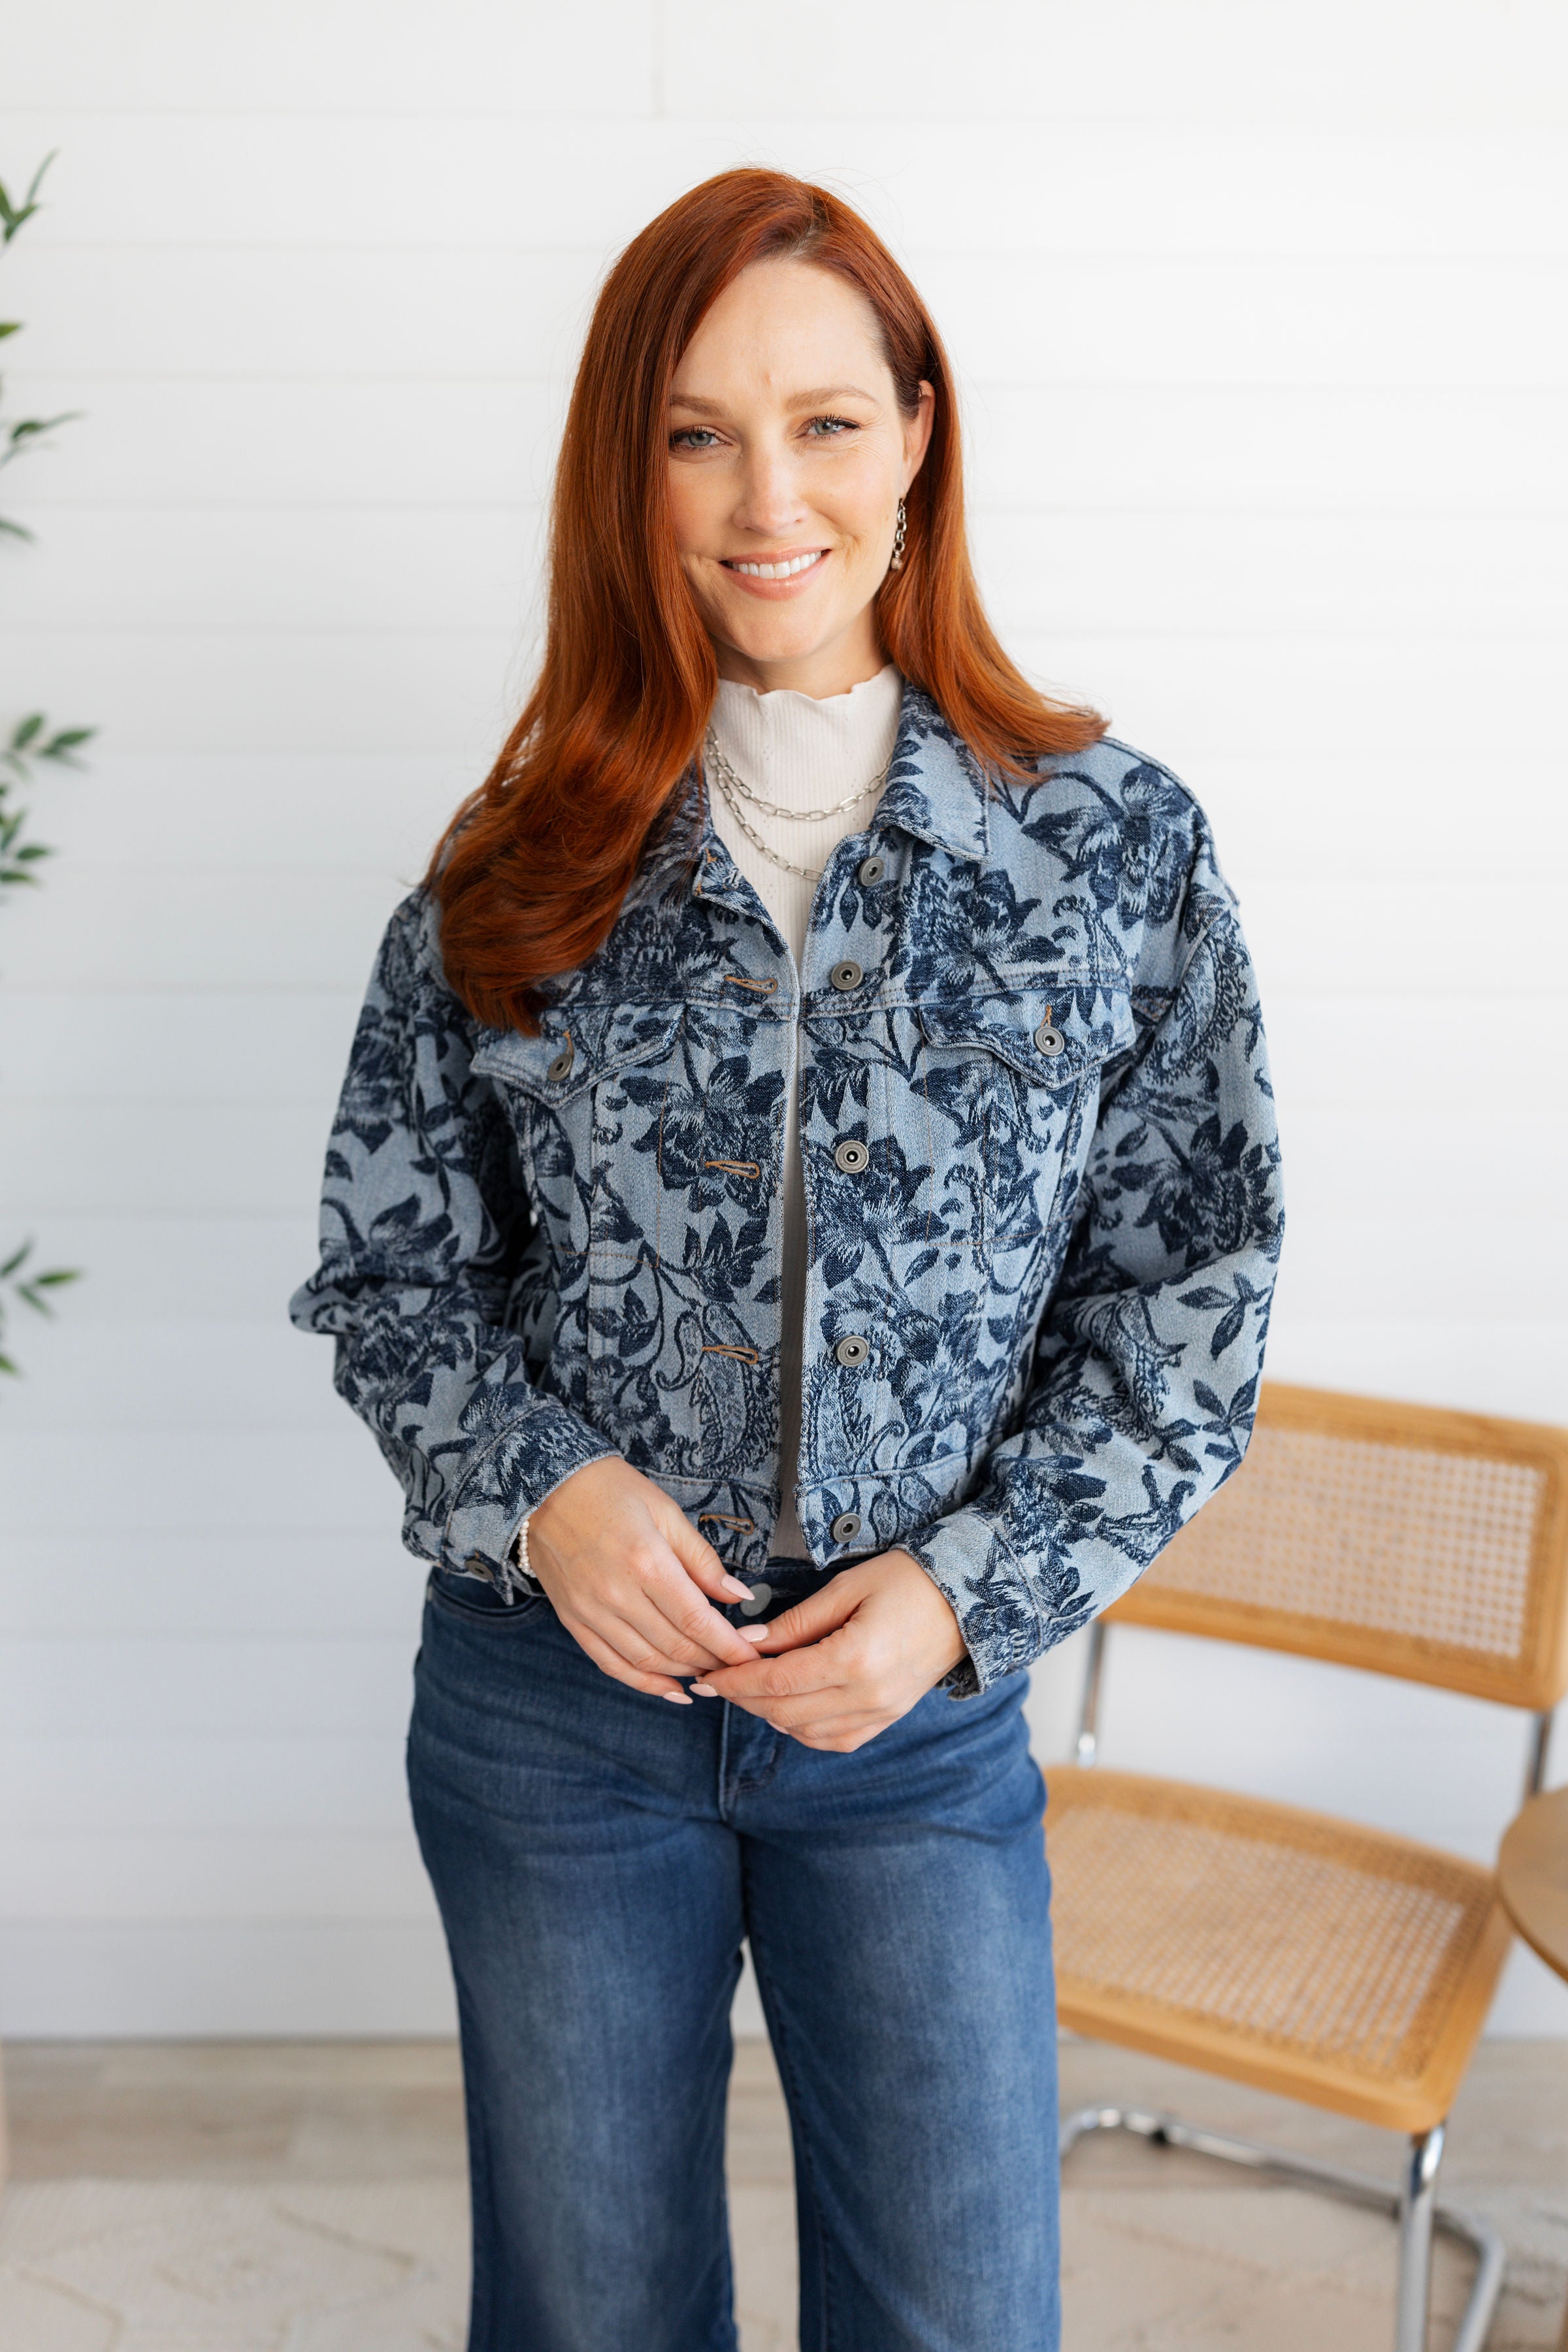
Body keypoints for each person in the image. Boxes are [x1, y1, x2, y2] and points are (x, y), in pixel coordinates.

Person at [291, 167, 1282, 2352]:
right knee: (594, 2317)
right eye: (699, 434)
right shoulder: (518, 861)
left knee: (958, 2318)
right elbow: (388, 1274)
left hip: (913, 1725)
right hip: (559, 1723)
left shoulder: (1107, 849)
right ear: (629, 473)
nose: (768, 498)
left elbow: (1193, 1307)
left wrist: (963, 1594)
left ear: (917, 435)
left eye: (825, 421)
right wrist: (547, 1494)